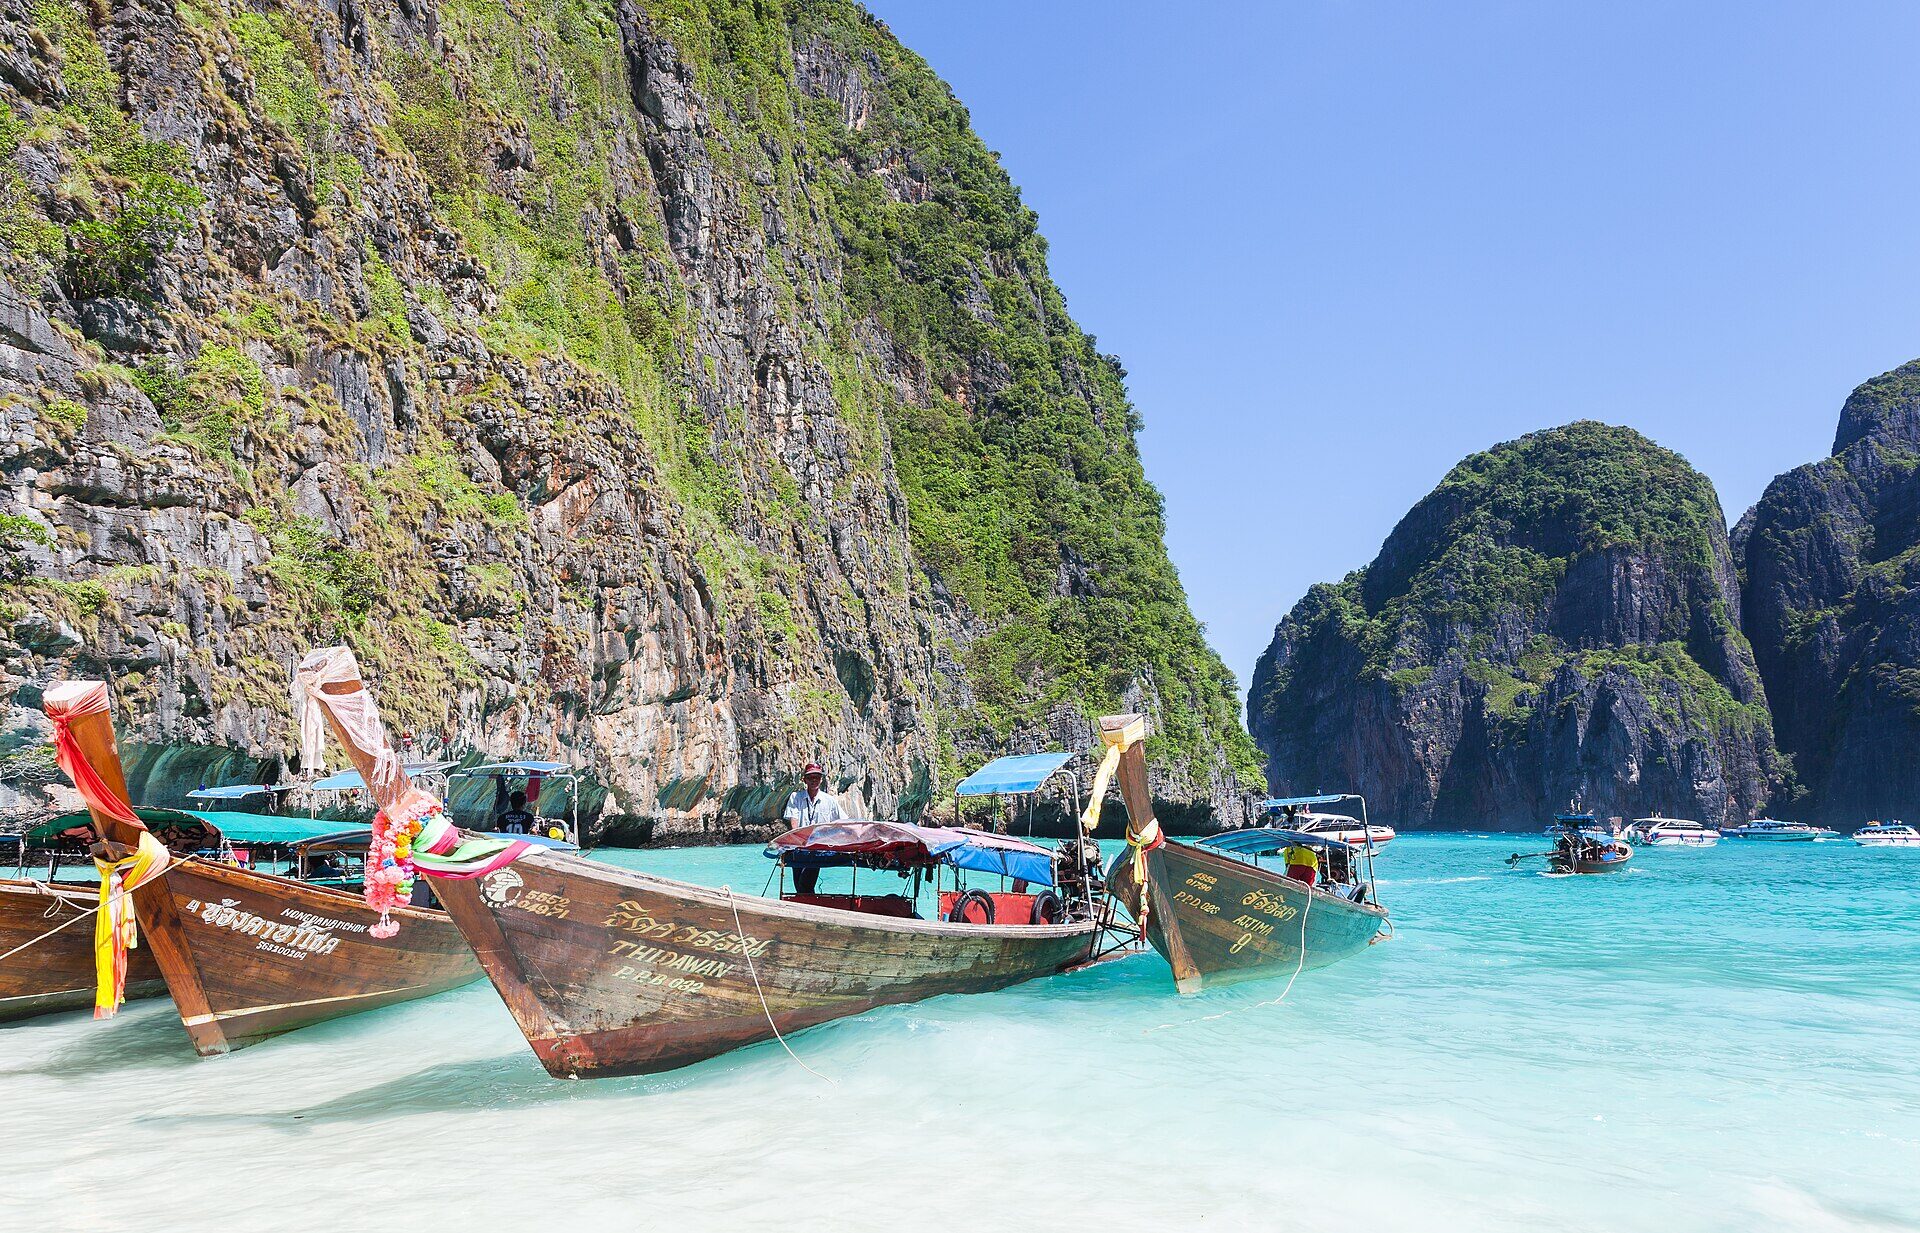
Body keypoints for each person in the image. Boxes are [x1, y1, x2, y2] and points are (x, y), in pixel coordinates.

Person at [783, 763, 844, 896]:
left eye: (817, 777)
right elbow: (794, 820)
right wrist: (800, 839)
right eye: (810, 777)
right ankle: (810, 907)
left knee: (806, 883)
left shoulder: (829, 801)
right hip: (798, 849)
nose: (814, 780)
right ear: (805, 780)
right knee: (799, 885)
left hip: (817, 849)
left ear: (821, 780)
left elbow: (842, 821)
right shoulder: (796, 797)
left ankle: (808, 909)